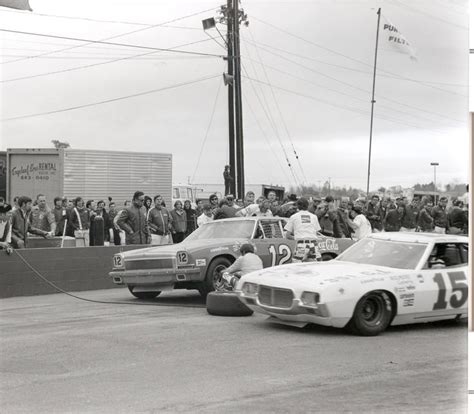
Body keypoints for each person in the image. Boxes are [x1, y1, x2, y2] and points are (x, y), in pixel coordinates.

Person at [284, 197, 322, 262]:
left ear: (298, 206)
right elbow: (317, 231)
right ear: (308, 206)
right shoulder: (314, 217)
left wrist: (297, 237)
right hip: (313, 244)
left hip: (301, 245)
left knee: (297, 268)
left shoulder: (294, 217)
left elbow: (287, 235)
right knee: (315, 267)